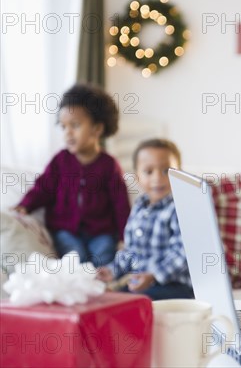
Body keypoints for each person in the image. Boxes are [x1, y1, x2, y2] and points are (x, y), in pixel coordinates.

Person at [13, 84, 130, 267]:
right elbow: (43, 187)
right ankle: (78, 285)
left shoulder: (109, 165)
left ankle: (103, 287)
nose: (68, 132)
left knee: (104, 253)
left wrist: (125, 238)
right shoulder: (60, 161)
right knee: (75, 256)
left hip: (101, 232)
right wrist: (25, 205)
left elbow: (121, 205)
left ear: (97, 129)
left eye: (75, 125)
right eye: (63, 126)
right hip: (65, 230)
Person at [97, 138, 194, 300]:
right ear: (137, 177)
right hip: (142, 284)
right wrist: (112, 270)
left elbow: (183, 254)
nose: (157, 178)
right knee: (110, 298)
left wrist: (153, 275)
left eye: (166, 171)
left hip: (175, 285)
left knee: (133, 301)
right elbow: (130, 251)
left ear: (180, 174)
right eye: (149, 171)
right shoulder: (139, 207)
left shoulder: (180, 208)